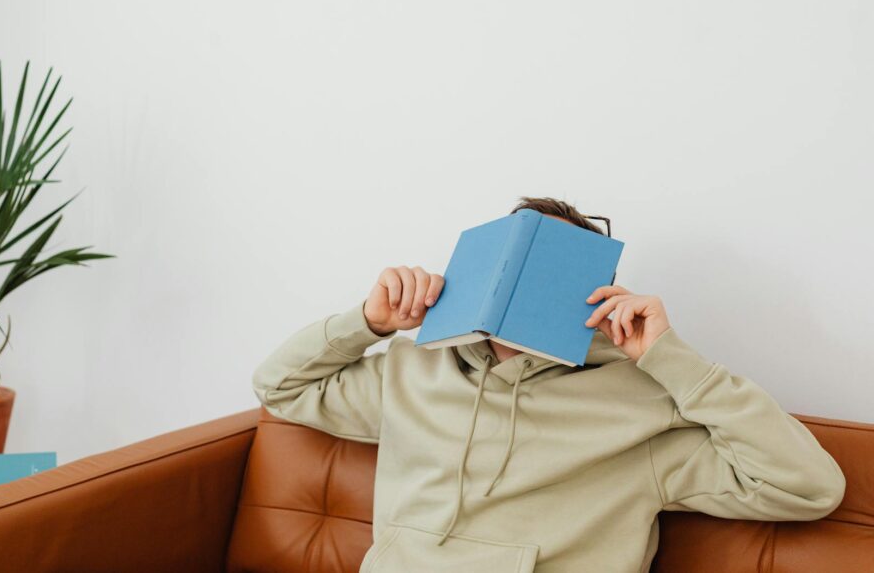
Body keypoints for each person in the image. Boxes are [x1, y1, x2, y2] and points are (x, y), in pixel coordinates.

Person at [252, 196, 846, 572]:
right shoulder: (412, 371)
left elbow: (810, 487)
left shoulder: (640, 405)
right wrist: (370, 322)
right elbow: (279, 387)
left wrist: (669, 359)